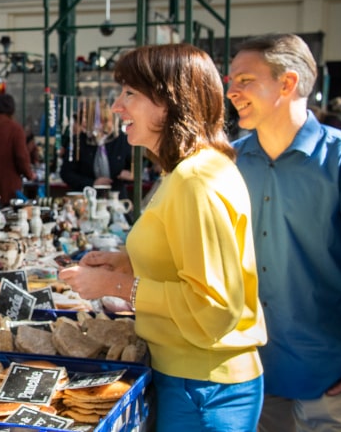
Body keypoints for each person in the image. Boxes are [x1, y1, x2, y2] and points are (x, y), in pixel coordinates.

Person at [60, 43, 267, 431]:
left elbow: (214, 306)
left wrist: (115, 284)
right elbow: (184, 261)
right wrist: (125, 261)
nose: (117, 107)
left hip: (205, 388)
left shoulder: (196, 179)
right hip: (194, 379)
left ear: (170, 102)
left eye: (130, 94)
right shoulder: (187, 172)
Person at [227, 33, 341, 432]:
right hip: (249, 372)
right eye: (231, 79)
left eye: (244, 80)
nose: (231, 91)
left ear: (287, 84)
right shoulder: (230, 162)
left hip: (330, 376)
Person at [59, 111, 133, 196]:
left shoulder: (122, 140)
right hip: (86, 197)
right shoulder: (79, 141)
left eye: (106, 121)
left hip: (116, 197)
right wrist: (92, 183)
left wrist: (130, 175)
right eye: (99, 122)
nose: (103, 126)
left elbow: (135, 167)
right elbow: (66, 173)